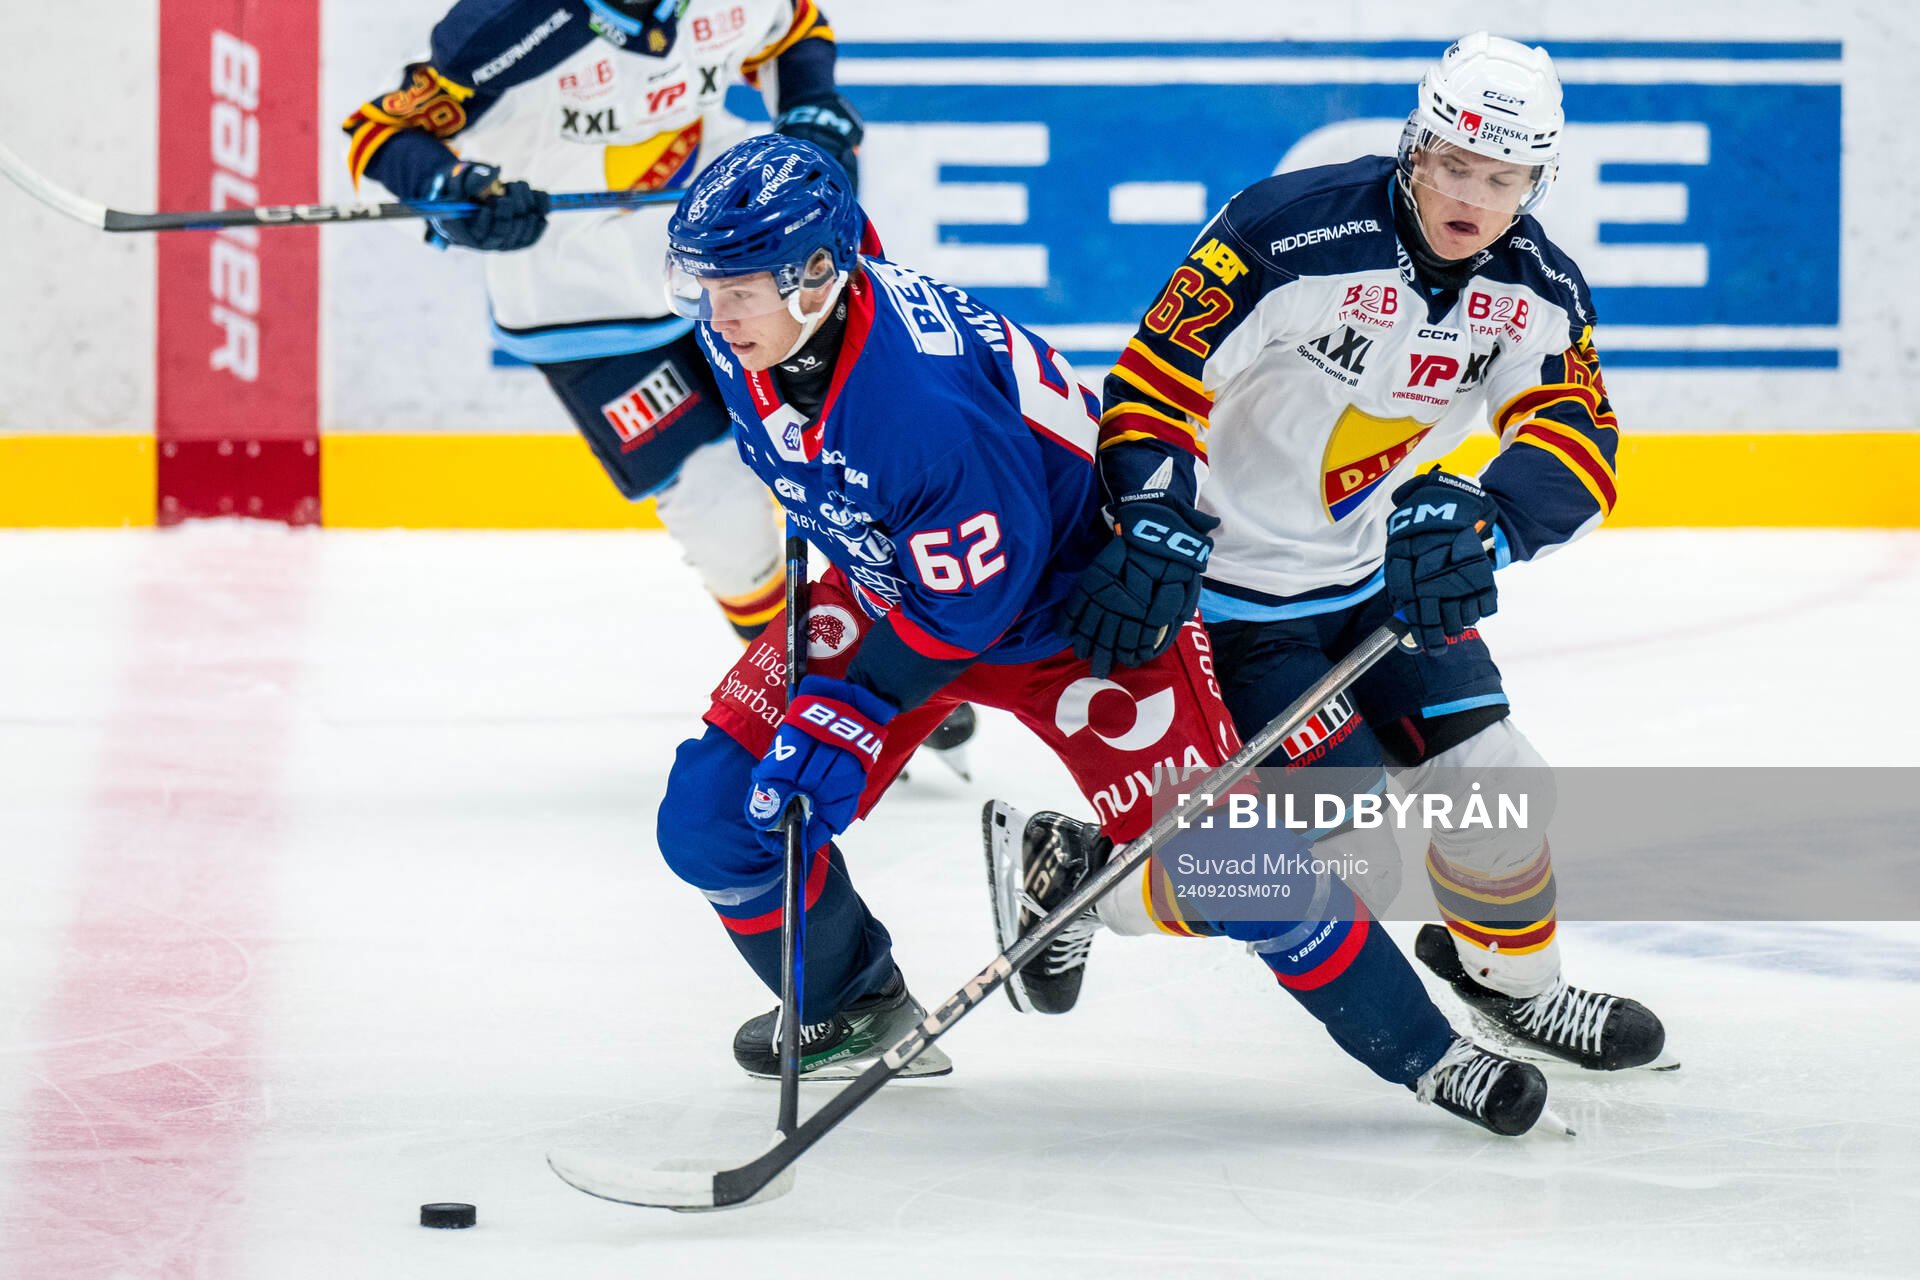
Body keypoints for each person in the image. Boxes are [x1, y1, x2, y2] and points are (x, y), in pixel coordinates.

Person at [650, 132, 1559, 1137]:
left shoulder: (918, 408)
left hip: (1074, 613)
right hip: (899, 579)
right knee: (715, 817)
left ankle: (1432, 1056)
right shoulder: (774, 321)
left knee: (1242, 867)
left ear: (819, 276)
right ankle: (852, 1004)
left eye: (744, 286)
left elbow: (973, 603)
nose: (719, 312)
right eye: (708, 283)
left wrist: (851, 708)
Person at [1044, 31, 1667, 1072]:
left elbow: (1577, 438)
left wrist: (1486, 520)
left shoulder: (1535, 284)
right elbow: (1154, 385)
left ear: (1536, 182)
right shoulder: (1284, 230)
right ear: (1415, 146)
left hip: (1376, 578)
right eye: (1456, 164)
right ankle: (1084, 880)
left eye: (1503, 177)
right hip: (1232, 604)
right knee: (1322, 851)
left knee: (1500, 782)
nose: (1472, 196)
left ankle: (1511, 984)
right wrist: (1154, 511)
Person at [344, 0, 977, 760]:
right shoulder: (510, 23)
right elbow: (379, 132)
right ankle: (808, 675)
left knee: (843, 456)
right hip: (581, 299)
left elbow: (795, 30)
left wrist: (810, 103)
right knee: (721, 509)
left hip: (733, 258)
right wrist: (458, 190)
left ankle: (886, 657)